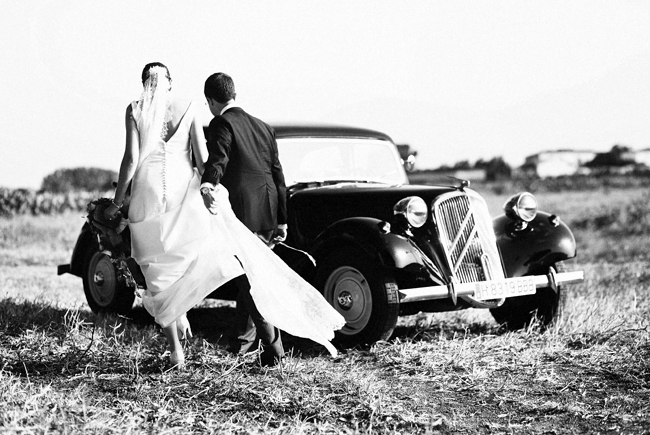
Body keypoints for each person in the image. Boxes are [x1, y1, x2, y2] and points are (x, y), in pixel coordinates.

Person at [106, 63, 344, 368]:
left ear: (143, 84)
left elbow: (136, 159)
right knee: (214, 262)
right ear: (171, 83)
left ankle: (186, 343)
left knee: (162, 268)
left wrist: (119, 200)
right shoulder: (216, 113)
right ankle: (220, 330)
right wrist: (220, 189)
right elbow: (214, 161)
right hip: (220, 198)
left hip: (155, 191)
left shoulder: (142, 110)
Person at [200, 72, 287, 358]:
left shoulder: (221, 122)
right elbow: (278, 175)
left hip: (242, 213)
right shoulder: (263, 126)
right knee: (250, 276)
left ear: (211, 100)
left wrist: (208, 183)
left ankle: (275, 352)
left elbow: (218, 158)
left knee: (250, 283)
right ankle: (241, 343)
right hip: (268, 209)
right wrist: (282, 218)